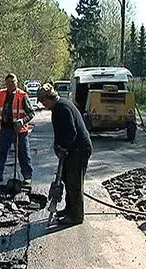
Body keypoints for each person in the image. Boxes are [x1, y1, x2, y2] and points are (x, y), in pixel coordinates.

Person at [37, 83, 93, 225]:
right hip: (73, 150)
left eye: (43, 101)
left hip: (78, 150)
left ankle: (76, 216)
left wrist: (63, 147)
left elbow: (70, 132)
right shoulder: (59, 106)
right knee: (68, 180)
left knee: (74, 183)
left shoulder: (62, 108)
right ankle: (69, 209)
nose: (43, 104)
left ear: (48, 98)